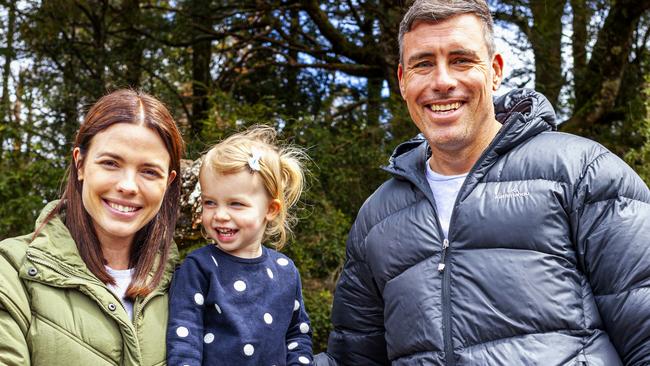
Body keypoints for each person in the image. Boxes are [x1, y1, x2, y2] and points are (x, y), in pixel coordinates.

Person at [315, 0, 650, 365]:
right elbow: (354, 358)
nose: (442, 81)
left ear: (494, 71)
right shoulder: (376, 219)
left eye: (461, 60)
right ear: (402, 80)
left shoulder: (582, 173)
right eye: (423, 63)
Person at [0, 89, 184, 365]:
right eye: (111, 163)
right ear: (81, 164)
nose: (127, 186)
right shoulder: (12, 272)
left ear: (167, 183)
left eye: (149, 171)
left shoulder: (186, 283)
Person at [166, 126, 313, 366]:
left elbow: (298, 335)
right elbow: (184, 338)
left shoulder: (286, 271)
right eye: (210, 202)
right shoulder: (198, 268)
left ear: (270, 209)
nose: (220, 215)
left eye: (236, 204)